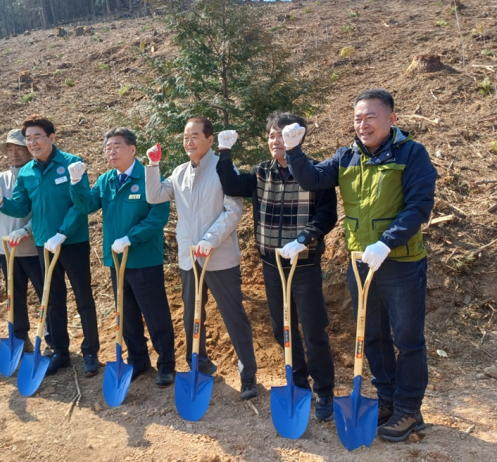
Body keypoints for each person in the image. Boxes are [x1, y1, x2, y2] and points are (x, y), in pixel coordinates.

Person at [283, 89, 437, 441]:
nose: (362, 124)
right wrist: (294, 152)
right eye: (357, 118)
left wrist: (387, 241)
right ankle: (386, 398)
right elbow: (312, 179)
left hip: (400, 262)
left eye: (370, 117)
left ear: (391, 119)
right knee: (373, 336)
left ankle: (409, 409)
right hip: (361, 263)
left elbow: (419, 205)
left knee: (408, 339)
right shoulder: (346, 156)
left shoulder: (411, 154)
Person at [215, 112, 338, 421]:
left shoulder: (316, 173)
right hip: (272, 265)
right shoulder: (261, 173)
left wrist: (304, 238)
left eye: (282, 135)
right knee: (281, 327)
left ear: (298, 138)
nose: (275, 140)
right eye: (271, 136)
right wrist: (225, 153)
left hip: (304, 264)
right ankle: (298, 382)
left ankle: (324, 389)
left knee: (313, 329)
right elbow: (230, 183)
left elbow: (326, 216)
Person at [145, 116, 259, 400]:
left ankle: (248, 375)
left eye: (195, 136)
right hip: (189, 257)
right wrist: (153, 166)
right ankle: (200, 362)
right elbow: (155, 195)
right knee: (192, 314)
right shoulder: (180, 172)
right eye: (185, 137)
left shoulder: (223, 169)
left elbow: (233, 211)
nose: (189, 141)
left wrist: (210, 240)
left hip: (218, 257)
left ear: (210, 139)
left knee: (234, 316)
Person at [0, 115, 100, 377]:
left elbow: (80, 206)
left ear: (52, 137)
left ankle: (90, 352)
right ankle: (60, 351)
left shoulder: (71, 164)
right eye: (29, 139)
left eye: (38, 137)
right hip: (43, 244)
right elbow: (23, 207)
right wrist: (1, 202)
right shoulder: (26, 172)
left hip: (73, 242)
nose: (33, 143)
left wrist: (63, 233)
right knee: (52, 299)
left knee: (83, 297)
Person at [68, 128, 176, 387]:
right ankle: (138, 361)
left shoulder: (147, 176)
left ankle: (167, 365)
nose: (111, 152)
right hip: (116, 261)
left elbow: (157, 218)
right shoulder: (106, 180)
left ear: (132, 149)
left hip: (143, 259)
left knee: (155, 314)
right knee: (126, 315)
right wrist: (77, 183)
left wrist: (132, 237)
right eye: (107, 148)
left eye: (117, 146)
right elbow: (87, 206)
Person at [0, 129, 45, 354]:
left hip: (34, 248)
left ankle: (51, 337)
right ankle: (20, 338)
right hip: (7, 251)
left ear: (29, 150)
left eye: (18, 149)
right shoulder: (1, 179)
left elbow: (42, 212)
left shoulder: (36, 175)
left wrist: (26, 230)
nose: (14, 154)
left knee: (46, 294)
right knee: (16, 297)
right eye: (10, 150)